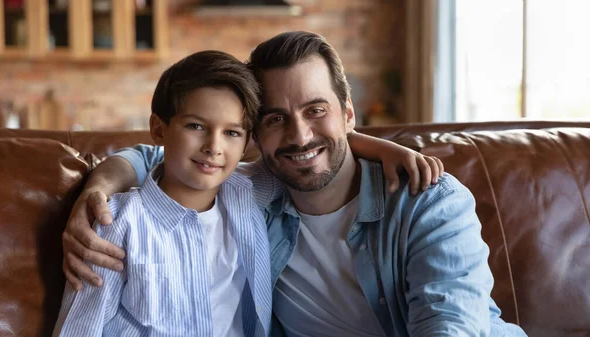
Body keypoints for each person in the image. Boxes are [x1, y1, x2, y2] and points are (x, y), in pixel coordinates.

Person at [62, 31, 525, 336]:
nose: (299, 136)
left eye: (316, 111)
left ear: (348, 114)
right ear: (257, 137)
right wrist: (94, 191)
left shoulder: (429, 201)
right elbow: (155, 157)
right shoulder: (254, 194)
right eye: (276, 119)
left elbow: (450, 326)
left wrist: (378, 147)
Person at [53, 50, 273, 336]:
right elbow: (79, 328)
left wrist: (351, 139)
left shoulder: (252, 194)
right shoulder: (119, 222)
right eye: (196, 126)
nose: (214, 147)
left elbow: (319, 162)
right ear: (158, 129)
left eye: (232, 133)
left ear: (247, 143)